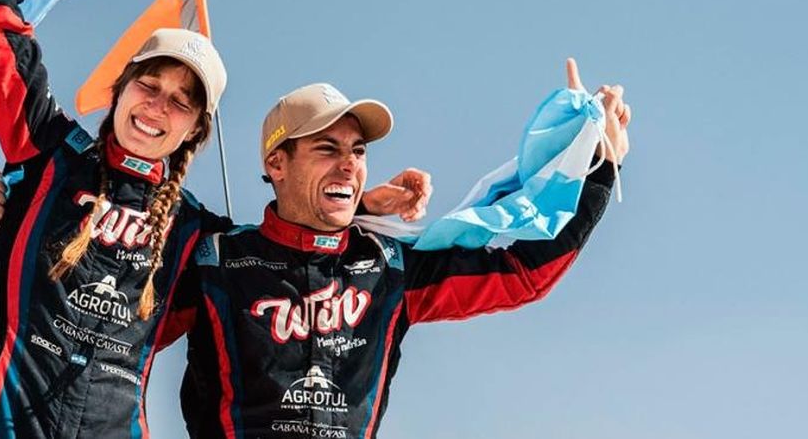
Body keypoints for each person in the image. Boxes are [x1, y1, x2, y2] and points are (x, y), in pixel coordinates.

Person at [0, 0, 430, 439]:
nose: (158, 107)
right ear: (120, 89)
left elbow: (289, 250)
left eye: (183, 101)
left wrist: (363, 209)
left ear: (195, 129)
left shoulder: (201, 236)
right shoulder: (46, 151)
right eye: (149, 85)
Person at [178, 62, 629, 438]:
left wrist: (600, 165)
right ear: (277, 163)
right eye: (326, 148)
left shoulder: (388, 267)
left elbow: (523, 275)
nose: (349, 164)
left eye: (357, 151)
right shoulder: (213, 259)